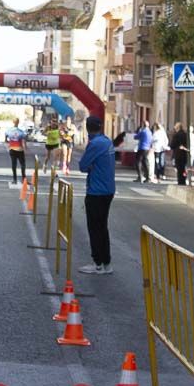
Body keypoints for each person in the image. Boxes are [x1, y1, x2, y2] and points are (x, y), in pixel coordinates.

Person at [77, 116, 116, 275]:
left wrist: (91, 166)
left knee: (94, 228)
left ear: (87, 128)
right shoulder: (107, 141)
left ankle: (97, 263)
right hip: (108, 190)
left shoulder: (94, 144)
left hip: (96, 191)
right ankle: (106, 263)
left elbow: (82, 166)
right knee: (103, 227)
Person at [5, 118, 27, 184]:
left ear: (13, 122)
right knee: (22, 164)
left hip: (12, 149)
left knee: (13, 165)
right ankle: (23, 179)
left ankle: (15, 180)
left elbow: (6, 140)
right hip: (20, 149)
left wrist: (9, 144)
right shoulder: (21, 131)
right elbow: (24, 141)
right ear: (18, 122)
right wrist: (25, 148)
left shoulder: (9, 131)